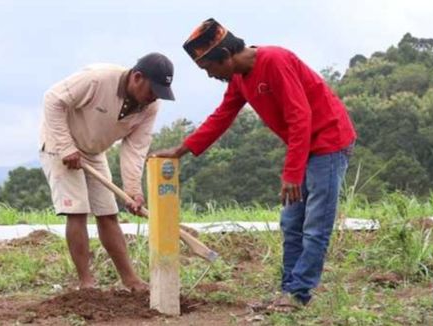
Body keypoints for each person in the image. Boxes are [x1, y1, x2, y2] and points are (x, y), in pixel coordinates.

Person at [149, 18, 356, 310]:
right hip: (304, 148)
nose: (210, 76)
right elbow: (222, 116)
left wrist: (292, 173)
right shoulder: (239, 79)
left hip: (329, 143)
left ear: (224, 56)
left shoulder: (275, 60)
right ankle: (288, 291)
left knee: (315, 225)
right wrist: (180, 150)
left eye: (209, 68)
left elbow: (301, 117)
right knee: (291, 222)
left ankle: (298, 294)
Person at [40, 53, 175, 290]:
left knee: (108, 212)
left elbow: (135, 148)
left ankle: (130, 279)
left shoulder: (150, 107)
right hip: (59, 144)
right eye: (152, 90)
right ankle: (86, 282)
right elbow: (52, 100)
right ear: (137, 77)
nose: (153, 98)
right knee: (78, 211)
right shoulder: (97, 79)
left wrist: (133, 190)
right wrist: (66, 147)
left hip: (94, 151)